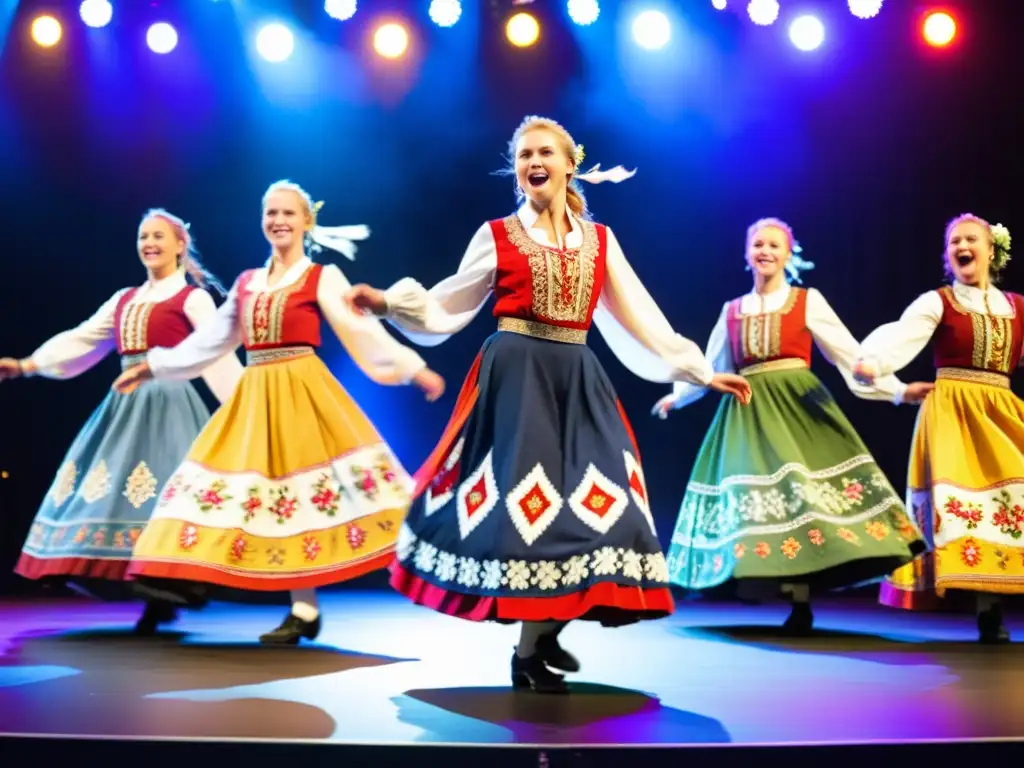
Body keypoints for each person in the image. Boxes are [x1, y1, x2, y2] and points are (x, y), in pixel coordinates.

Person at [344, 116, 751, 693]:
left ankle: (538, 637)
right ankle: (532, 647)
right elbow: (447, 304)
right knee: (524, 511)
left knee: (609, 508)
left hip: (578, 378)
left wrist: (701, 372)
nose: (533, 162)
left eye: (544, 153)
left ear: (568, 164)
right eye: (523, 155)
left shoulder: (599, 242)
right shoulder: (499, 234)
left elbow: (641, 318)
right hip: (515, 377)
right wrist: (386, 303)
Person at [113, 180, 445, 644]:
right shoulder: (248, 283)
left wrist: (412, 368)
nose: (278, 221)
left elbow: (358, 331)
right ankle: (172, 574)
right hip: (255, 399)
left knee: (300, 500)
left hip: (303, 392)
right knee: (201, 487)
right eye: (270, 213)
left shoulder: (321, 276)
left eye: (288, 213)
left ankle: (305, 609)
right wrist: (153, 365)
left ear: (307, 221)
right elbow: (210, 342)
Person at [651, 218, 929, 634]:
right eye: (758, 244)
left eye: (774, 245)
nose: (765, 251)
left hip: (799, 408)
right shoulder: (732, 311)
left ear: (788, 253)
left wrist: (895, 389)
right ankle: (760, 584)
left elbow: (847, 354)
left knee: (804, 497)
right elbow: (712, 366)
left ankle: (800, 601)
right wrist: (679, 396)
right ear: (747, 254)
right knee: (754, 499)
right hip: (748, 412)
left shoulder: (807, 301)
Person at [0, 209, 243, 634]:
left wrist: (243, 407)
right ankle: (93, 570)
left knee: (167, 497)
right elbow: (83, 338)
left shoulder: (192, 298)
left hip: (170, 406)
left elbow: (216, 352)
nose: (149, 243)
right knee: (105, 494)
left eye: (159, 236)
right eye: (143, 236)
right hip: (124, 407)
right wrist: (27, 364)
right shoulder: (124, 299)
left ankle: (167, 592)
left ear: (180, 245)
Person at [854, 213, 1023, 643]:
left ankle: (993, 599)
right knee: (964, 504)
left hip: (1001, 410)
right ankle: (988, 608)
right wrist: (876, 362)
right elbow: (901, 336)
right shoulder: (939, 301)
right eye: (954, 242)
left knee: (1011, 498)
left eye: (971, 240)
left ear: (990, 250)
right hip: (951, 412)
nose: (962, 247)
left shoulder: (1017, 306)